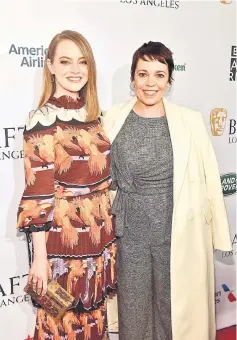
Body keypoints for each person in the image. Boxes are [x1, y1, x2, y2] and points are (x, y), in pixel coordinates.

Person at [102, 41, 232, 340]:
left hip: (176, 231)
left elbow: (210, 178)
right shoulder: (112, 118)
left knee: (174, 311)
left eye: (159, 75)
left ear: (169, 80)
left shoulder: (190, 121)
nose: (150, 83)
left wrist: (221, 236)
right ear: (132, 79)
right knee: (133, 311)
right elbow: (102, 176)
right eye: (143, 74)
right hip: (128, 231)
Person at [17, 30, 116, 340]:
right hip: (64, 247)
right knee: (60, 325)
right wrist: (40, 260)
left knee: (92, 323)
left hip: (97, 241)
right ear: (50, 66)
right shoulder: (43, 120)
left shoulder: (94, 116)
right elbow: (38, 194)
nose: (75, 70)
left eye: (82, 61)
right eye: (65, 61)